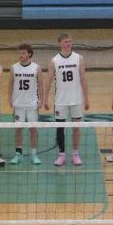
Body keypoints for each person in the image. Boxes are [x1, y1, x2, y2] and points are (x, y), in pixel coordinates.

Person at [43, 33, 89, 166]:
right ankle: (61, 154)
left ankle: (75, 154)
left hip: (76, 100)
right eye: (65, 42)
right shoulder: (54, 60)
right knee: (60, 128)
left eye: (70, 41)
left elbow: (83, 79)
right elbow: (48, 80)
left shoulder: (79, 58)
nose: (68, 44)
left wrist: (86, 98)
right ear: (60, 43)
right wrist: (46, 99)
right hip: (61, 101)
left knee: (76, 128)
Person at [8, 43, 43, 165]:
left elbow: (41, 85)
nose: (21, 55)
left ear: (29, 54)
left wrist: (41, 99)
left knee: (33, 130)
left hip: (32, 104)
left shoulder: (36, 68)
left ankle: (34, 154)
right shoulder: (14, 67)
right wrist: (9, 98)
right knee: (18, 129)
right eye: (19, 53)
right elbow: (11, 84)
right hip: (18, 104)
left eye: (23, 53)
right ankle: (18, 154)